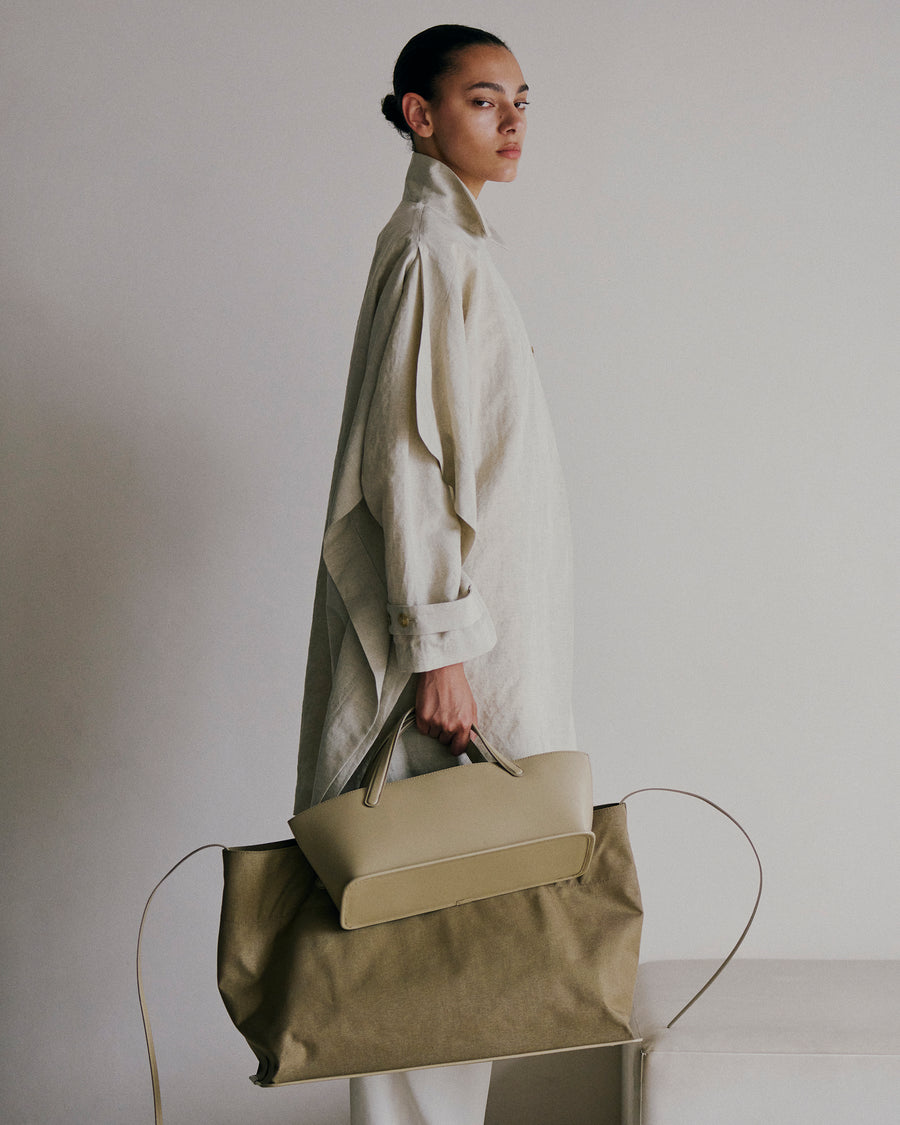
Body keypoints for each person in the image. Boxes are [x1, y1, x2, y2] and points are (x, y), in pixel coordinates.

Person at [294, 24, 576, 1125]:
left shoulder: (459, 245)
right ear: (420, 115)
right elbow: (406, 463)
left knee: (464, 936)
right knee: (418, 934)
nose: (512, 122)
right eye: (482, 100)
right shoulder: (430, 248)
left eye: (521, 100)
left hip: (476, 637)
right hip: (448, 660)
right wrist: (439, 651)